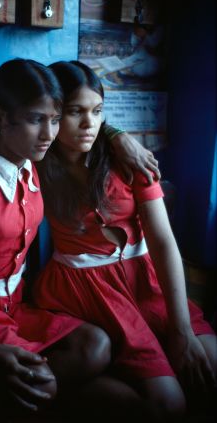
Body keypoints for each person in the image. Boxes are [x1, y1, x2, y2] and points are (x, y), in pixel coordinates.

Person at [0, 59, 116, 422]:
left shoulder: (31, 167)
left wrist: (120, 137)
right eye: (35, 119)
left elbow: (91, 118)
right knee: (51, 387)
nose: (49, 133)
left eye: (55, 118)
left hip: (16, 308)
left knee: (98, 346)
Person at [30, 60, 216, 421]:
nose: (89, 124)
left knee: (208, 362)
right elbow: (6, 136)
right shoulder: (37, 163)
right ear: (53, 112)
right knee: (168, 404)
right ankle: (61, 392)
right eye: (74, 112)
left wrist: (181, 330)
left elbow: (163, 242)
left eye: (98, 111)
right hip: (84, 288)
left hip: (144, 280)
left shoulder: (128, 161)